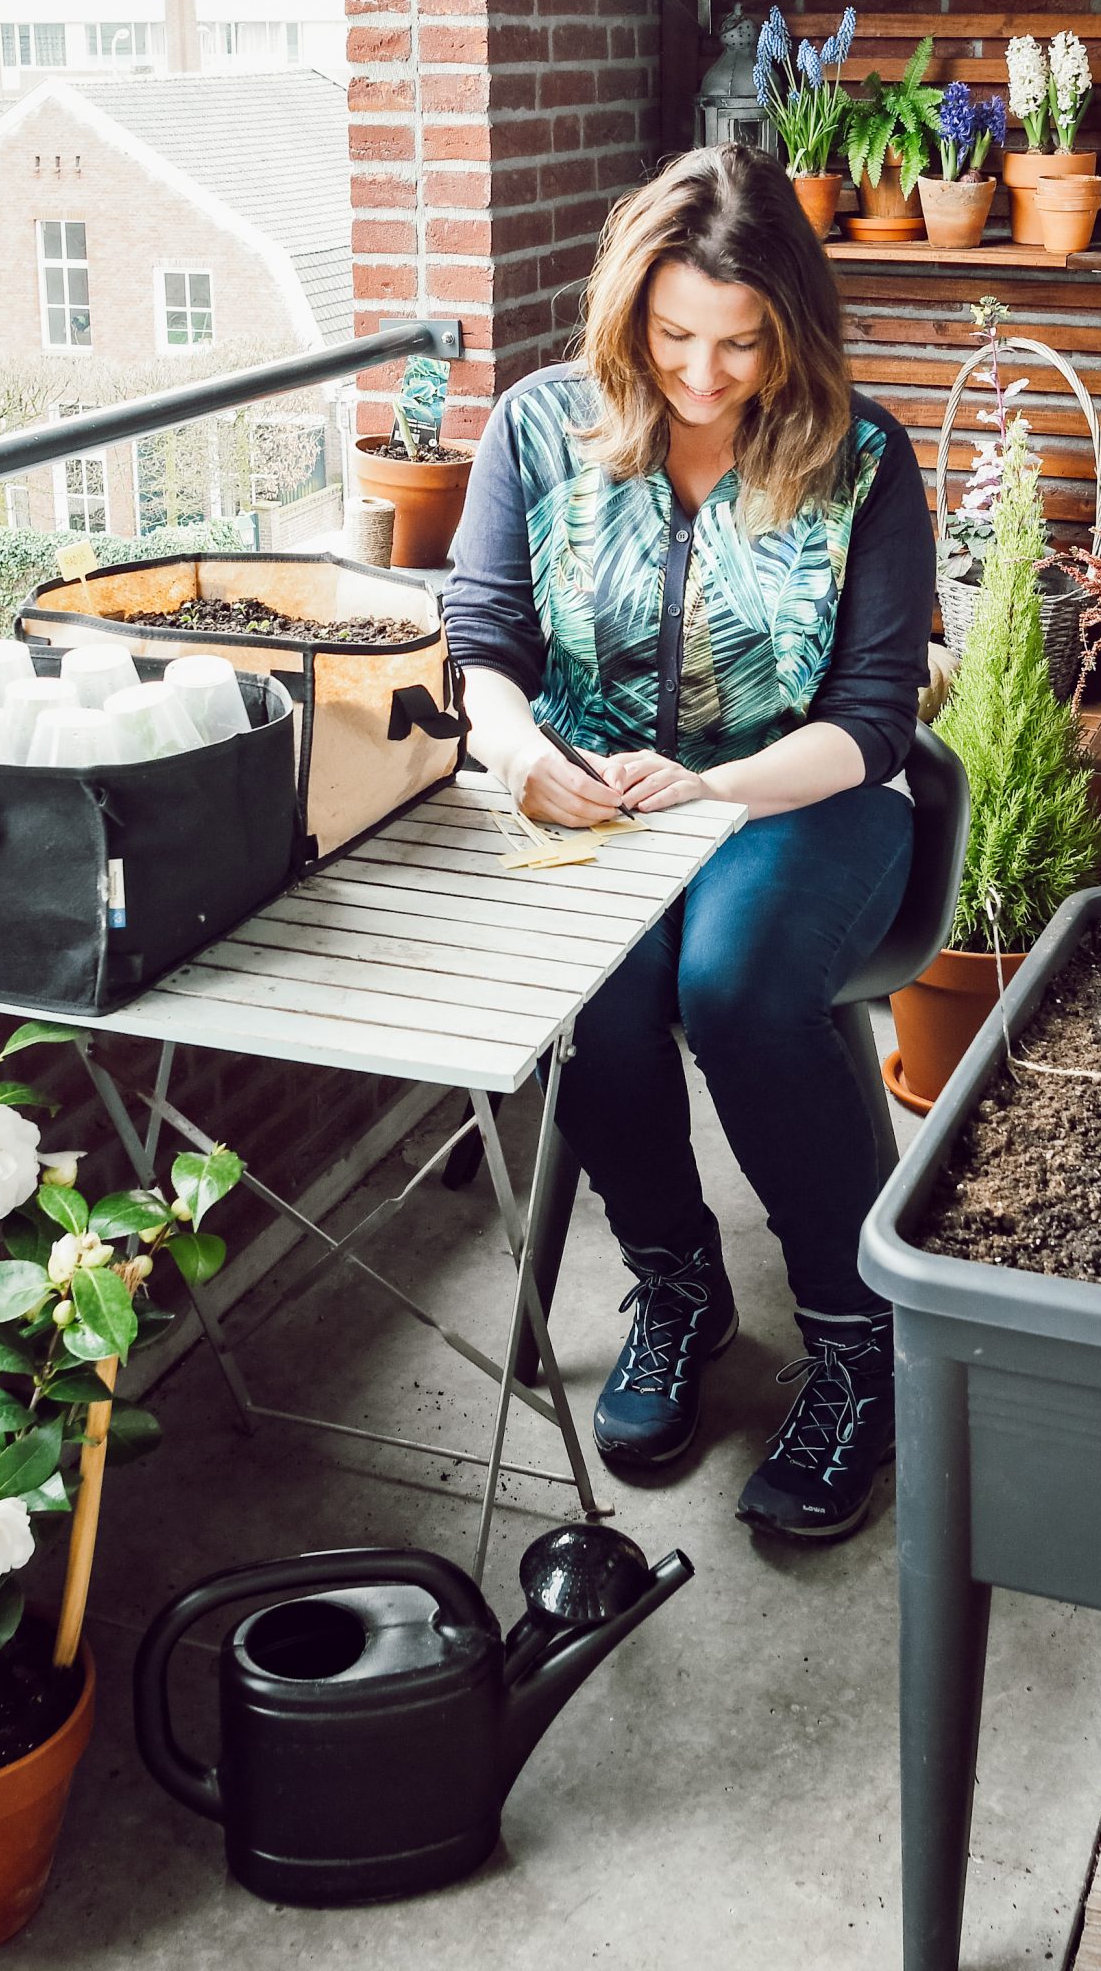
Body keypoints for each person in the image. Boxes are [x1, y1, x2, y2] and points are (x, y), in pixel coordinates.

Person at [444, 143, 933, 1542]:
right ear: (625, 314)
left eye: (740, 343)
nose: (704, 375)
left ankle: (856, 1340)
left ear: (789, 327)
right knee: (593, 997)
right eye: (672, 337)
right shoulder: (539, 428)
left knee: (735, 986)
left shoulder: (863, 458)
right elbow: (484, 645)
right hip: (592, 786)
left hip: (805, 793)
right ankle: (675, 1284)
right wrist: (523, 751)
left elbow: (873, 717)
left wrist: (721, 793)